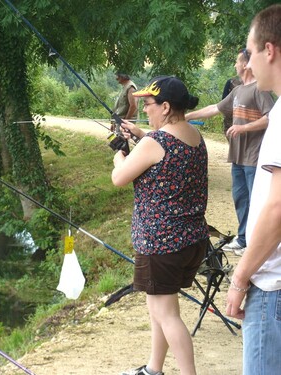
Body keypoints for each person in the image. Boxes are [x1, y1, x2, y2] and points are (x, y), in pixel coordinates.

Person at [112, 76, 208, 375]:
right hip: (191, 239)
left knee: (166, 314)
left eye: (148, 104)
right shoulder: (193, 136)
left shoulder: (156, 142)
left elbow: (119, 178)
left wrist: (119, 156)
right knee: (160, 308)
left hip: (161, 243)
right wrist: (140, 134)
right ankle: (154, 369)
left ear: (165, 107)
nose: (144, 109)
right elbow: (165, 153)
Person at [226, 4, 281, 375]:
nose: (248, 60)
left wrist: (240, 277)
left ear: (270, 50)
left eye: (251, 49)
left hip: (271, 287)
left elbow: (277, 209)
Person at [185, 50, 274, 255]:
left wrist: (243, 128)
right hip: (238, 157)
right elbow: (213, 109)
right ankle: (243, 239)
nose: (235, 65)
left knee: (255, 201)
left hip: (254, 157)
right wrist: (186, 117)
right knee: (240, 198)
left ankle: (255, 245)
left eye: (237, 61)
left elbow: (271, 117)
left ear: (246, 64)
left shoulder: (260, 90)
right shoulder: (237, 91)